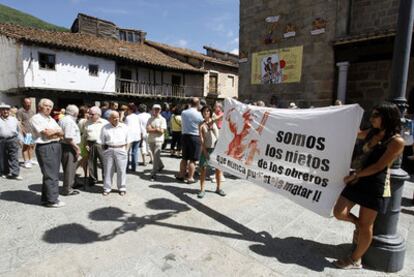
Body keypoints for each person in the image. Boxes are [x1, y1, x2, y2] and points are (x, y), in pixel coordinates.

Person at [333, 102, 404, 269]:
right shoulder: (372, 132)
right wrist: (337, 118)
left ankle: (355, 259)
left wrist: (356, 175)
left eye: (375, 116)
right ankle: (357, 224)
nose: (371, 119)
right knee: (339, 212)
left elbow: (380, 166)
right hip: (358, 180)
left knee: (367, 226)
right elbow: (355, 134)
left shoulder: (396, 141)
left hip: (374, 185)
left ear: (387, 118)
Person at [30, 98, 65, 207]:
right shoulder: (36, 118)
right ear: (40, 107)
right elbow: (47, 134)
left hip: (55, 145)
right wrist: (56, 132)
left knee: (52, 173)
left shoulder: (50, 119)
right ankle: (52, 200)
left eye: (50, 106)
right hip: (45, 147)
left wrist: (55, 132)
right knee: (50, 175)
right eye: (46, 105)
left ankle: (47, 198)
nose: (48, 108)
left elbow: (62, 132)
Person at [100, 111, 131, 196]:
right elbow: (102, 142)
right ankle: (107, 188)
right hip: (109, 149)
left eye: (117, 117)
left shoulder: (124, 127)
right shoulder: (105, 128)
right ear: (109, 119)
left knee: (121, 170)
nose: (116, 119)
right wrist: (105, 151)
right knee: (108, 170)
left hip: (121, 149)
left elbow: (129, 140)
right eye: (114, 117)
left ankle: (122, 188)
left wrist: (126, 151)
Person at [197, 106, 225, 198]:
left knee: (218, 169)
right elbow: (201, 139)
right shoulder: (201, 124)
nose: (206, 112)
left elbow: (221, 116)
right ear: (202, 113)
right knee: (203, 169)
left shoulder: (214, 120)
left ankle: (218, 188)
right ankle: (202, 189)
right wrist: (204, 151)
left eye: (208, 111)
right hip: (207, 148)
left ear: (210, 112)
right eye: (204, 111)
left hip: (216, 149)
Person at [176, 97, 203, 184]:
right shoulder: (200, 114)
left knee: (184, 158)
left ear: (190, 103)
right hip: (195, 137)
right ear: (198, 104)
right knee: (192, 160)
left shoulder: (184, 112)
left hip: (184, 136)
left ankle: (181, 175)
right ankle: (190, 178)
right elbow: (203, 124)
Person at [59, 105, 81, 196]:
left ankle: (72, 184)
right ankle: (67, 189)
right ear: (75, 113)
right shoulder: (69, 121)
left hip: (65, 146)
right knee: (69, 169)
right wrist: (77, 148)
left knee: (70, 168)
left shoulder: (64, 119)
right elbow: (68, 138)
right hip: (69, 146)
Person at [83, 106, 108, 186]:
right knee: (91, 163)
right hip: (90, 144)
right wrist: (86, 144)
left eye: (92, 114)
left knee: (104, 163)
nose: (89, 115)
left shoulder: (105, 122)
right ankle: (93, 179)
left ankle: (106, 180)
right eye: (89, 113)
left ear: (98, 114)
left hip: (101, 145)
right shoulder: (87, 122)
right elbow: (85, 135)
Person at [0, 103, 22, 180]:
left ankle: (15, 173)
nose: (5, 111)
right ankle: (5, 172)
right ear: (0, 111)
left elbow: (18, 130)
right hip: (1, 140)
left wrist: (20, 140)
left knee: (14, 156)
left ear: (9, 111)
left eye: (7, 109)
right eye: (3, 110)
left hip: (13, 139)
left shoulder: (14, 119)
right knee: (3, 157)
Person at [147, 104, 167, 181]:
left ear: (160, 110)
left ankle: (153, 173)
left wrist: (152, 129)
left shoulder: (163, 119)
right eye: (155, 109)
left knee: (155, 156)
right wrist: (157, 129)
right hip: (151, 139)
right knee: (156, 156)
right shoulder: (150, 119)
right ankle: (161, 165)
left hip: (159, 140)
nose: (156, 110)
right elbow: (147, 130)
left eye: (158, 109)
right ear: (152, 110)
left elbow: (162, 131)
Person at [16, 98, 36, 169]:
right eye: (27, 103)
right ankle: (26, 162)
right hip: (26, 133)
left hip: (32, 132)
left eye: (30, 103)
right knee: (25, 147)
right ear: (23, 103)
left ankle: (30, 160)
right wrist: (23, 132)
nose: (29, 104)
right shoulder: (20, 111)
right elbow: (19, 123)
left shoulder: (32, 111)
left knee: (31, 146)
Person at [125, 103, 143, 172]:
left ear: (130, 110)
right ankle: (134, 167)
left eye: (127, 109)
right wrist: (141, 135)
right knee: (135, 152)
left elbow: (126, 127)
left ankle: (126, 167)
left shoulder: (128, 117)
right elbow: (141, 127)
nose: (126, 110)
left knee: (127, 152)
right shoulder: (138, 117)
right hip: (137, 136)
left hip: (129, 137)